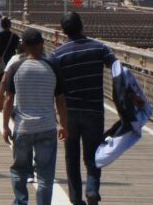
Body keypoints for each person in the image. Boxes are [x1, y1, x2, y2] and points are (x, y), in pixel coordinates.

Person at [50, 12, 117, 205]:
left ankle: (75, 198)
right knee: (93, 154)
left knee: (71, 156)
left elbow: (53, 84)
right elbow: (116, 67)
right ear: (82, 26)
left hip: (68, 112)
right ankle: (92, 189)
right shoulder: (100, 48)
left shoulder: (57, 54)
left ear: (63, 31)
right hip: (94, 110)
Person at [2, 29, 68, 205]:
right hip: (47, 127)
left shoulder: (16, 67)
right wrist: (63, 125)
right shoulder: (52, 66)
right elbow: (60, 100)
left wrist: (5, 126)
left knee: (19, 170)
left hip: (23, 127)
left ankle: (21, 201)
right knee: (45, 174)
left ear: (23, 45)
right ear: (41, 44)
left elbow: (8, 100)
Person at [0, 18, 21, 90]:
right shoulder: (15, 37)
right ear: (10, 25)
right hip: (11, 63)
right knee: (10, 84)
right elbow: (20, 51)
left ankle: (1, 97)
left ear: (1, 26)